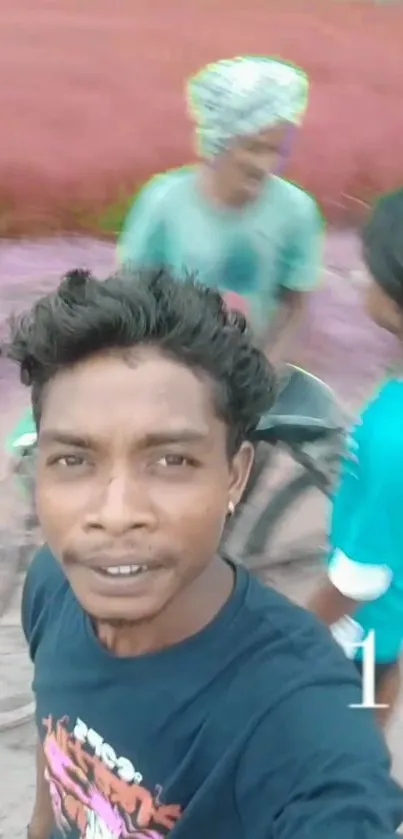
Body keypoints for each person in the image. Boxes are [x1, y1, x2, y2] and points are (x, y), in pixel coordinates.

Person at [7, 267, 403, 839]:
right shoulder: (52, 585)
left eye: (171, 461)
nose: (116, 513)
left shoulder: (300, 721)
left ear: (235, 477)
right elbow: (57, 758)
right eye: (74, 460)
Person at [118, 56, 324, 366]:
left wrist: (267, 373)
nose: (265, 165)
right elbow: (129, 295)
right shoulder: (163, 202)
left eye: (276, 150)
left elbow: (294, 306)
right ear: (218, 141)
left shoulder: (298, 211)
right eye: (253, 148)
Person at [309, 188, 403, 729]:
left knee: (348, 742)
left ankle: (359, 810)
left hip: (366, 633)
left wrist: (299, 628)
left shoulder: (394, 431)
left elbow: (360, 578)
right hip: (388, 629)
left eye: (370, 268)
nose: (359, 278)